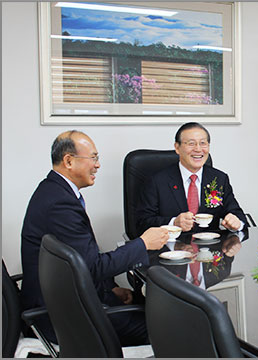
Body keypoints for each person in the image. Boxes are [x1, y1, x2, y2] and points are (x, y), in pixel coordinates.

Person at [20, 130, 169, 345]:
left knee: (153, 309)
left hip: (68, 300)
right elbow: (92, 267)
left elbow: (82, 257)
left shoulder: (54, 191)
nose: (98, 165)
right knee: (167, 326)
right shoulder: (60, 205)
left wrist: (110, 289)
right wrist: (144, 243)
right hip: (64, 316)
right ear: (69, 161)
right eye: (94, 158)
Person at [136, 122, 246, 234]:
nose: (198, 149)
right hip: (169, 248)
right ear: (177, 148)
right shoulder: (157, 181)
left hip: (209, 248)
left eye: (203, 143)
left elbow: (238, 215)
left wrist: (236, 222)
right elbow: (142, 223)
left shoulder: (219, 179)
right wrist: (173, 223)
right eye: (191, 143)